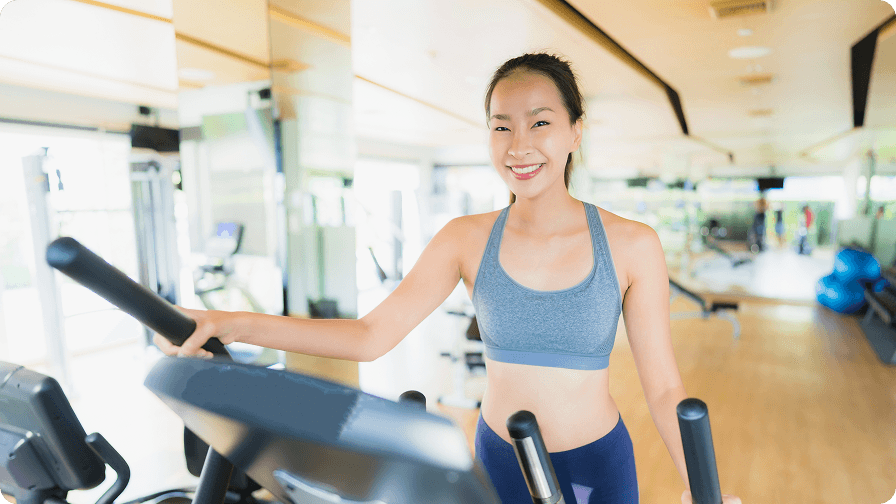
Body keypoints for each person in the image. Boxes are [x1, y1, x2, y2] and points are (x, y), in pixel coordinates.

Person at [156, 53, 741, 504]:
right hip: (497, 458)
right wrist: (225, 322)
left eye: (540, 123)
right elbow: (369, 335)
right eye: (501, 127)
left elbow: (664, 387)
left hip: (596, 463)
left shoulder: (633, 244)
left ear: (574, 132)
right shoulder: (465, 238)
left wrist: (700, 486)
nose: (520, 145)